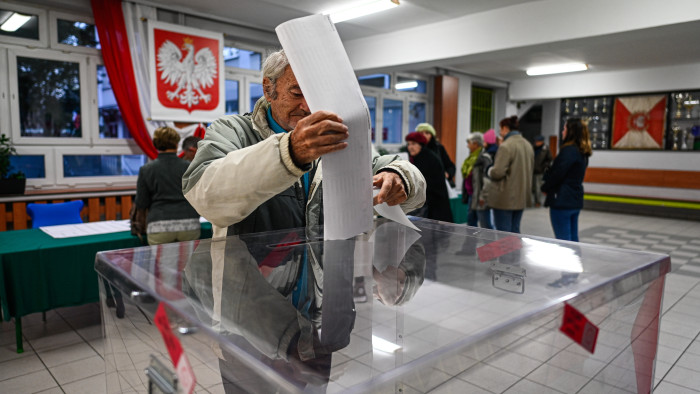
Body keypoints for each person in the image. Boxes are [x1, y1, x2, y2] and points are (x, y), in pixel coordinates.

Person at [182, 49, 425, 240]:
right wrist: (289, 153)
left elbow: (394, 169)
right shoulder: (233, 130)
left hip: (323, 289)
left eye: (316, 94)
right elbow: (205, 197)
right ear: (269, 89)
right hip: (253, 290)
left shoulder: (336, 134)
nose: (308, 107)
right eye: (297, 93)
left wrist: (398, 176)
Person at [134, 127, 201, 245]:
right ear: (176, 143)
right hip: (189, 223)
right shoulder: (189, 167)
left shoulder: (146, 169)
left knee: (163, 264)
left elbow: (141, 203)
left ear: (156, 144)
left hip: (159, 225)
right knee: (188, 263)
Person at [541, 118, 592, 241]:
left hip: (562, 199)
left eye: (564, 129)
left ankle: (567, 260)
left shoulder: (569, 150)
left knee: (564, 241)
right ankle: (576, 260)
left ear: (571, 132)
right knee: (573, 240)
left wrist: (545, 187)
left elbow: (557, 173)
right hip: (574, 198)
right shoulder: (582, 151)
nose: (562, 132)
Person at [486, 116, 534, 233]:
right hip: (521, 196)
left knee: (504, 234)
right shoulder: (528, 145)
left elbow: (498, 172)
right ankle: (515, 252)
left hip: (505, 198)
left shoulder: (506, 146)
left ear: (506, 128)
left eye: (500, 129)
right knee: (515, 230)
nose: (500, 133)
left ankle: (507, 253)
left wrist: (489, 170)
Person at [405, 131, 453, 222]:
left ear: (421, 145)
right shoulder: (419, 157)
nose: (410, 147)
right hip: (429, 203)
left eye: (413, 144)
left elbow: (423, 182)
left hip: (435, 205)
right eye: (409, 144)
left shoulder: (427, 158)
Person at [461, 132, 493, 229]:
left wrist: (483, 196)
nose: (467, 145)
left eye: (469, 143)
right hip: (472, 195)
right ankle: (471, 243)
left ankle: (491, 244)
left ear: (475, 143)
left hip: (480, 197)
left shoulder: (484, 158)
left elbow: (488, 179)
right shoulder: (471, 158)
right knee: (471, 223)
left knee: (485, 225)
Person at [416, 122, 456, 188]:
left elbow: (450, 166)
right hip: (419, 186)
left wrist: (447, 174)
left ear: (431, 135)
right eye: (421, 133)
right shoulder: (412, 149)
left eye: (427, 133)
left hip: (437, 187)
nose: (424, 135)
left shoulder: (439, 148)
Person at [532, 135, 553, 207]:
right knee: (530, 187)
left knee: (538, 187)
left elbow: (549, 159)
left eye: (538, 141)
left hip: (539, 171)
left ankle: (537, 202)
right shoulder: (532, 148)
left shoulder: (546, 149)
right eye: (535, 141)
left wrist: (544, 166)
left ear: (542, 142)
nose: (536, 143)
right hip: (531, 170)